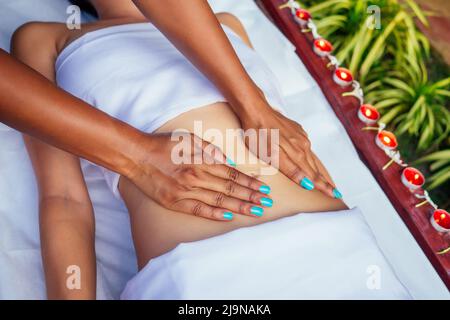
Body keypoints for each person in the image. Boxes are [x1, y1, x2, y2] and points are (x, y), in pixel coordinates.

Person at [10, 0, 411, 300]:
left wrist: (254, 107)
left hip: (341, 255)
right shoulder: (46, 38)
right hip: (203, 278)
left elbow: (279, 127)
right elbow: (64, 199)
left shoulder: (229, 23)